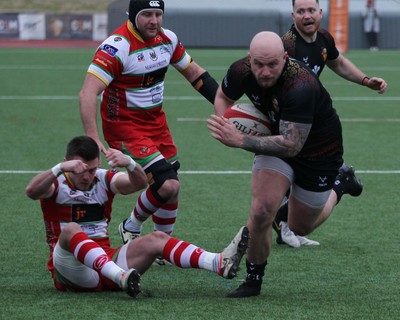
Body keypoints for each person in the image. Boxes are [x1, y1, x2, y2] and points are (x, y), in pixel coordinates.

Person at [207, 31, 370, 298]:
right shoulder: (240, 70)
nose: (266, 71)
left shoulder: (301, 84)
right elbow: (223, 97)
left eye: (273, 64)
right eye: (259, 64)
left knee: (299, 227)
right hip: (275, 138)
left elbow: (292, 145)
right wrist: (226, 122)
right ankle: (253, 280)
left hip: (319, 152)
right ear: (250, 59)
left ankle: (341, 183)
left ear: (285, 57)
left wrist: (240, 139)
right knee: (261, 211)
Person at [79, 0, 219, 262]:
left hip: (156, 123)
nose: (154, 20)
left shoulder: (168, 39)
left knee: (172, 187)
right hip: (124, 127)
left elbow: (196, 75)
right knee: (166, 184)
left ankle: (157, 245)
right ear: (132, 16)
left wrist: (226, 107)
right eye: (147, 15)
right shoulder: (117, 46)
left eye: (158, 14)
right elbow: (88, 93)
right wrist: (92, 137)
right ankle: (135, 228)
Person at [25, 136, 249, 298]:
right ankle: (120, 277)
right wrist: (58, 168)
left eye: (92, 170)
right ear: (67, 163)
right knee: (72, 229)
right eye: (80, 170)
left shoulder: (102, 179)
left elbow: (139, 184)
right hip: (70, 271)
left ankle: (218, 263)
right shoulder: (56, 182)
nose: (86, 176)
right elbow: (31, 191)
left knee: (157, 238)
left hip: (106, 263)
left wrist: (131, 163)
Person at [275, 0, 388, 247]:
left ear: (320, 13)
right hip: (289, 123)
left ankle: (340, 183)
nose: (307, 16)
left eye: (311, 10)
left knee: (305, 202)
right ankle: (285, 225)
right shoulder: (285, 46)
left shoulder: (323, 38)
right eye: (301, 11)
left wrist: (365, 80)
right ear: (293, 15)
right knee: (281, 176)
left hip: (315, 127)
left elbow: (337, 62)